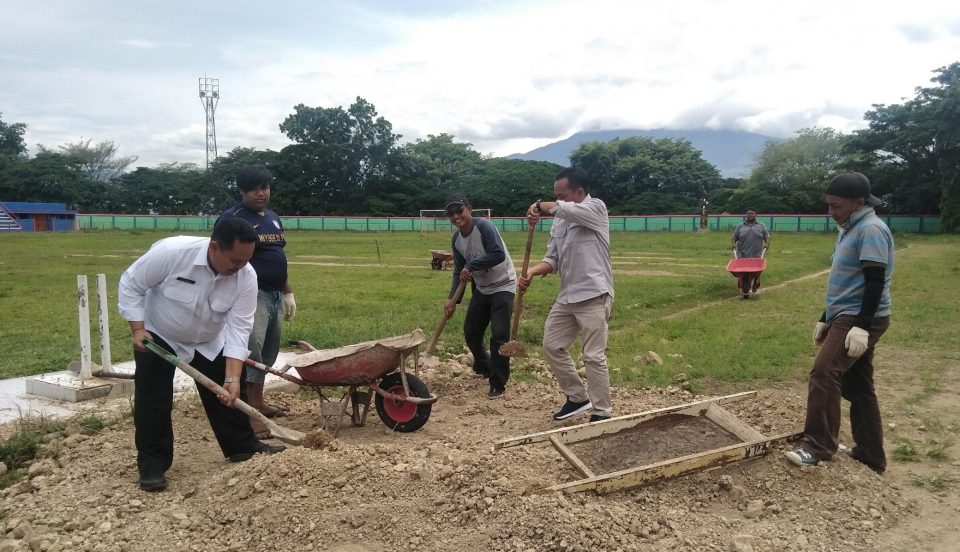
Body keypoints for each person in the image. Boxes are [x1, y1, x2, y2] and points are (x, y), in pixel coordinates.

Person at [118, 218, 285, 492]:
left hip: (209, 340)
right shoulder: (172, 253)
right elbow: (131, 283)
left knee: (229, 392)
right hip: (160, 335)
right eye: (235, 260)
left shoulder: (246, 276)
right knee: (154, 400)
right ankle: (153, 464)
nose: (241, 267)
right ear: (214, 248)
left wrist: (232, 377)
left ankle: (242, 446)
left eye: (247, 261)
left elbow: (239, 328)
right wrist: (138, 329)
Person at [785, 172, 894, 474]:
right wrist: (825, 316)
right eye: (828, 205)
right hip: (846, 313)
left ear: (858, 203)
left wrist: (862, 325)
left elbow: (874, 281)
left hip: (859, 316)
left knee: (824, 372)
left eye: (836, 206)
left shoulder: (870, 229)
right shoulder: (849, 227)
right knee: (859, 387)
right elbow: (846, 281)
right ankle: (871, 454)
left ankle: (817, 446)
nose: (830, 212)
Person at [519, 167, 615, 422]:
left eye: (562, 195)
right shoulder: (561, 220)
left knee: (593, 356)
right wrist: (531, 272)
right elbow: (553, 259)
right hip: (568, 296)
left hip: (594, 294)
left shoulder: (596, 209)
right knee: (552, 345)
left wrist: (539, 206)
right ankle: (577, 398)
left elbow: (565, 209)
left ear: (579, 192)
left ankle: (602, 412)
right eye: (556, 196)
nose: (558, 200)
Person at [216, 166, 296, 438]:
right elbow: (221, 255)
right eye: (254, 189)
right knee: (252, 352)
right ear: (242, 191)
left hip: (274, 293)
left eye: (265, 187)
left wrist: (288, 292)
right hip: (251, 294)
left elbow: (276, 255)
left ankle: (259, 402)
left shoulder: (273, 218)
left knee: (268, 352)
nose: (261, 193)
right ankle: (250, 415)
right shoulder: (232, 218)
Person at [442, 192, 517, 399]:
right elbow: (459, 270)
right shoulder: (457, 239)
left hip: (503, 284)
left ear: (469, 209)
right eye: (451, 214)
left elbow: (497, 254)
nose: (456, 216)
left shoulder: (484, 227)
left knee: (499, 335)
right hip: (482, 288)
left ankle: (498, 382)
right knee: (471, 332)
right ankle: (485, 367)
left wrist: (472, 265)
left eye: (459, 211)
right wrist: (453, 299)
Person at [730, 209, 770, 298]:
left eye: (752, 213)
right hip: (742, 253)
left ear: (756, 215)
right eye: (748, 213)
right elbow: (734, 237)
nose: (750, 215)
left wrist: (767, 244)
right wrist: (733, 244)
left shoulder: (761, 225)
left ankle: (754, 284)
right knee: (742, 273)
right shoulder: (740, 226)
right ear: (746, 215)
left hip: (756, 253)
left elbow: (766, 236)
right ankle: (742, 287)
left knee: (753, 273)